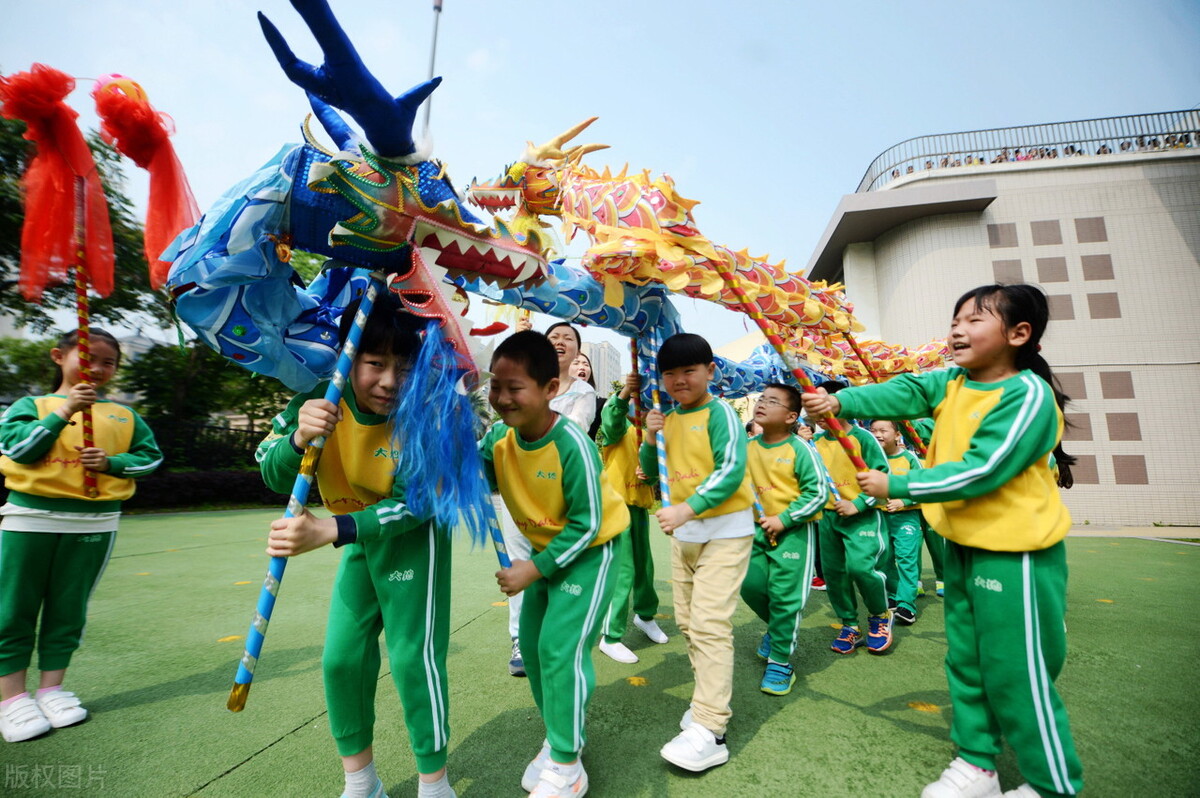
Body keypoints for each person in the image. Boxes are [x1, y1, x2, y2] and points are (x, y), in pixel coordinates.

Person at [802, 283, 1083, 798]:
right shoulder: (953, 382)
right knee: (967, 663)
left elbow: (984, 470)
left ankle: (1053, 785)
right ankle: (978, 765)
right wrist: (840, 400)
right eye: (956, 318)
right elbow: (907, 391)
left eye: (976, 319)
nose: (958, 328)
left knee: (1016, 674)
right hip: (966, 550)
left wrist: (898, 485)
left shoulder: (1026, 395)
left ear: (1019, 334)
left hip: (1015, 556)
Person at [257, 297, 457, 798]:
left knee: (414, 660)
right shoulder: (318, 401)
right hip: (359, 544)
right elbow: (271, 470)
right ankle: (361, 783)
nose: (390, 381)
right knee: (341, 660)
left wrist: (330, 530)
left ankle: (435, 784)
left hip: (413, 546)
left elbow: (418, 507)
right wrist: (299, 439)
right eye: (375, 363)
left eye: (404, 367)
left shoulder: (425, 414)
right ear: (349, 356)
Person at [482, 330, 627, 798]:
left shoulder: (572, 444)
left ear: (550, 390)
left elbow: (588, 525)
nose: (502, 398)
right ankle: (558, 736)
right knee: (534, 647)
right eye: (495, 386)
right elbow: (470, 469)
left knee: (561, 652)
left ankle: (567, 764)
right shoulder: (499, 439)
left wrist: (535, 568)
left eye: (514, 387)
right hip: (547, 553)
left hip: (587, 553)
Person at [0, 329, 162, 744]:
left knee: (68, 608)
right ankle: (11, 699)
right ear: (59, 356)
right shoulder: (30, 405)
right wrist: (63, 412)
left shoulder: (125, 416)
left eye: (109, 362)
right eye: (90, 357)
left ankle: (52, 689)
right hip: (30, 518)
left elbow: (150, 459)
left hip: (94, 523)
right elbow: (17, 450)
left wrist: (111, 462)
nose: (99, 368)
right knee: (12, 608)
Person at [639, 333, 754, 773]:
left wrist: (687, 508)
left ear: (710, 371)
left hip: (724, 533)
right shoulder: (666, 417)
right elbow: (652, 474)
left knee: (708, 624)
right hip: (684, 537)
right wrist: (650, 441)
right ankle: (705, 705)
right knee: (689, 624)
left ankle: (711, 728)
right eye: (670, 373)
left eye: (689, 370)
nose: (678, 380)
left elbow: (731, 469)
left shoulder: (720, 411)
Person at [501, 322, 597, 680]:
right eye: (553, 337)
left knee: (557, 563)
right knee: (518, 562)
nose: (560, 342)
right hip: (516, 489)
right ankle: (519, 641)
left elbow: (570, 433)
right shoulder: (521, 381)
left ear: (576, 352)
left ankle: (557, 636)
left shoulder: (583, 392)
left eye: (568, 339)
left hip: (558, 494)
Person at [739, 384, 828, 695]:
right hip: (753, 532)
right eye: (761, 398)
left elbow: (818, 493)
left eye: (772, 401)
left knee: (785, 599)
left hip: (793, 534)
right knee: (749, 586)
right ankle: (778, 631)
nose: (762, 403)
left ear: (792, 416)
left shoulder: (800, 449)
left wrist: (784, 519)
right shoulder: (746, 448)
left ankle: (781, 662)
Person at [809, 384, 893, 655]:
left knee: (860, 568)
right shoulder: (814, 444)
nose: (817, 409)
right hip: (828, 520)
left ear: (840, 403)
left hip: (862, 517)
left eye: (823, 401)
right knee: (834, 575)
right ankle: (849, 625)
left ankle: (880, 616)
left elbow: (883, 477)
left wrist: (857, 503)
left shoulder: (863, 438)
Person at [595, 372, 668, 664]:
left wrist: (649, 472)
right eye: (642, 402)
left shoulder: (654, 434)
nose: (646, 409)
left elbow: (656, 469)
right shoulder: (619, 428)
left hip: (639, 508)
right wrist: (626, 390)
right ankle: (610, 637)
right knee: (622, 571)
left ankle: (645, 616)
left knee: (644, 568)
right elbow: (610, 419)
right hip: (616, 509)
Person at [870, 420, 924, 625]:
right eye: (873, 430)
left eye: (883, 430)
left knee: (906, 559)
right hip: (879, 517)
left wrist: (904, 501)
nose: (877, 434)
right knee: (884, 559)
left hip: (906, 518)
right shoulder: (870, 458)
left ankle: (906, 606)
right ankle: (893, 595)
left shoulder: (909, 458)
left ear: (897, 435)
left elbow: (922, 486)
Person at [571, 352, 605, 440]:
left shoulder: (600, 402)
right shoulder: (552, 397)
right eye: (576, 363)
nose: (582, 367)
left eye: (586, 364)